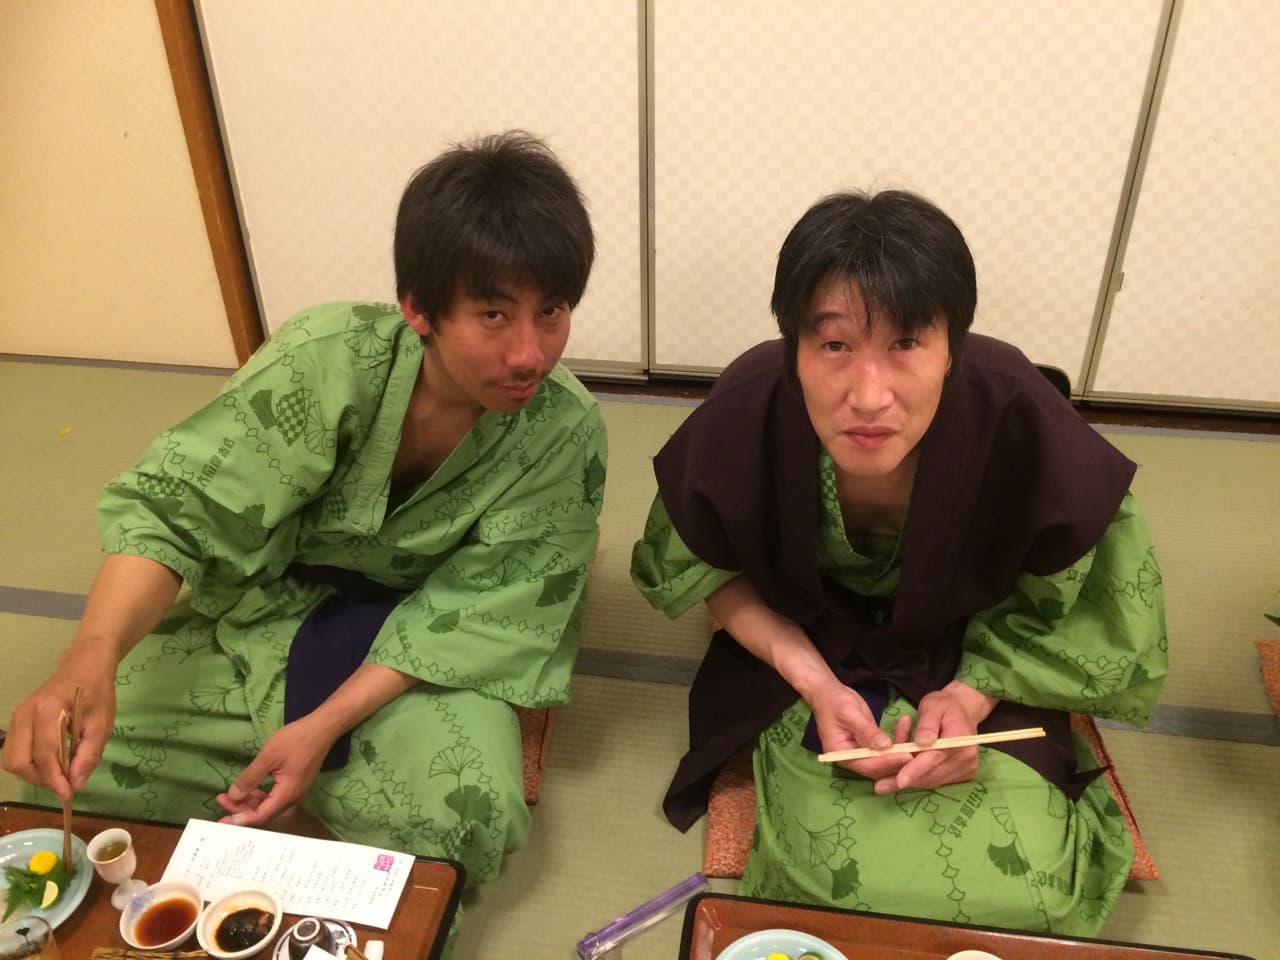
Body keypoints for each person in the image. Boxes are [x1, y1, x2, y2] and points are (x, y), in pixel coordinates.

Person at [3, 131, 608, 891]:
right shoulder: (324, 360)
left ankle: (300, 810)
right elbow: (180, 510)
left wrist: (321, 726)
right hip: (264, 609)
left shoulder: (563, 429)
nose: (530, 353)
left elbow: (487, 610)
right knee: (63, 764)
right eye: (493, 315)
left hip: (420, 648)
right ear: (418, 309)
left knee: (466, 814)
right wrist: (90, 655)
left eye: (551, 312)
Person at [631, 190, 1166, 935]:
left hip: (984, 645)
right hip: (814, 642)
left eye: (907, 343)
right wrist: (816, 683)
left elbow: (1085, 588)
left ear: (953, 348)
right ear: (793, 346)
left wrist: (972, 697)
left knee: (1026, 894)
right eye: (834, 345)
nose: (869, 395)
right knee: (828, 885)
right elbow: (706, 566)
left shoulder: (1016, 416)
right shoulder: (751, 407)